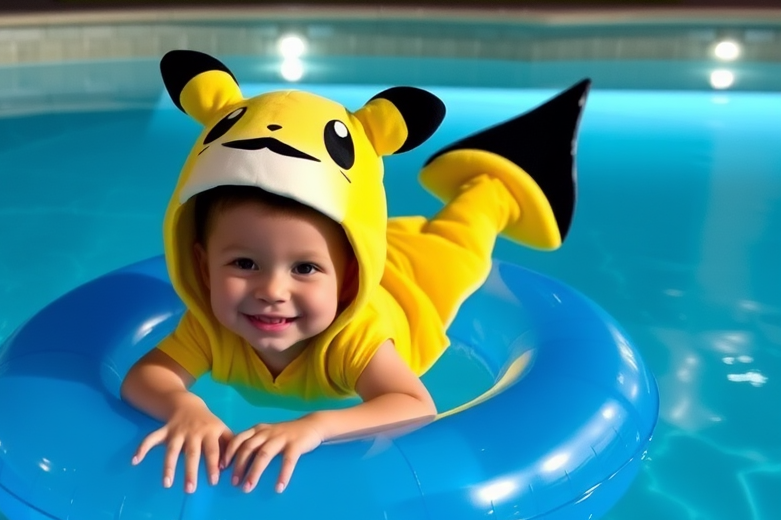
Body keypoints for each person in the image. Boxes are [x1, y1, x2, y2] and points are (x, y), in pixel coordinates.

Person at [121, 50, 588, 496]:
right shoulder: (209, 326)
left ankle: (493, 182)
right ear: (202, 266)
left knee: (461, 243)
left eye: (304, 268)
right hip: (355, 253)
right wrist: (185, 408)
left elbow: (414, 406)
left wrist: (317, 426)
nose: (272, 291)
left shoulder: (352, 341)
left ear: (347, 279)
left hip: (415, 279)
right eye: (244, 263)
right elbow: (146, 377)